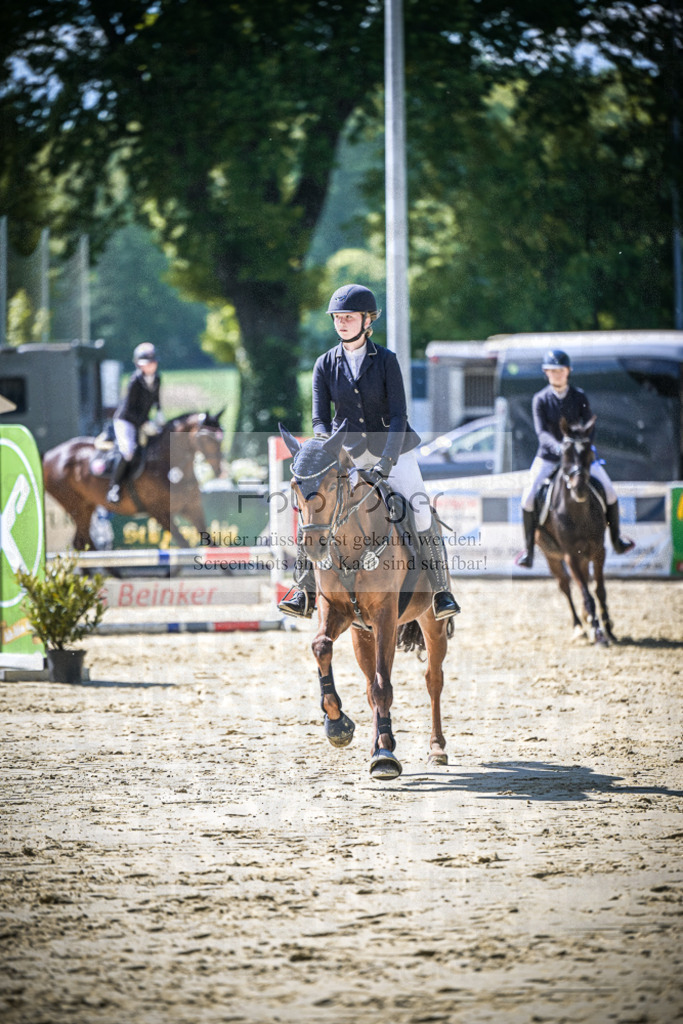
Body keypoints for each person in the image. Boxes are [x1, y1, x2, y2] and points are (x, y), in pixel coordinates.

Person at [278, 283, 460, 621]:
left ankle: (440, 591)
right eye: (337, 317)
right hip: (346, 452)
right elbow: (319, 418)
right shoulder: (325, 364)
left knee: (419, 510)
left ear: (367, 320)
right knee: (320, 508)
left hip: (394, 449)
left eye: (348, 317)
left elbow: (398, 416)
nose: (342, 323)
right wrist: (325, 447)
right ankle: (304, 589)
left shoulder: (386, 361)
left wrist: (388, 462)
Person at [515, 349, 634, 568]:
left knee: (609, 491)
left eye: (560, 370)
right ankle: (529, 550)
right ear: (546, 372)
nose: (557, 374)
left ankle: (617, 540)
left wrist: (582, 450)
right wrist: (561, 449)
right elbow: (542, 433)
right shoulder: (540, 399)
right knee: (528, 497)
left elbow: (590, 426)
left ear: (568, 371)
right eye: (552, 371)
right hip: (550, 456)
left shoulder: (579, 396)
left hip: (580, 458)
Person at [106, 343, 163, 503]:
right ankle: (114, 487)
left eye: (153, 362)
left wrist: (159, 412)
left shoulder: (157, 378)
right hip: (126, 420)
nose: (151, 365)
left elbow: (156, 399)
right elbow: (130, 410)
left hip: (142, 420)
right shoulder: (135, 381)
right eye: (147, 362)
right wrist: (145, 423)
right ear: (139, 364)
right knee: (128, 451)